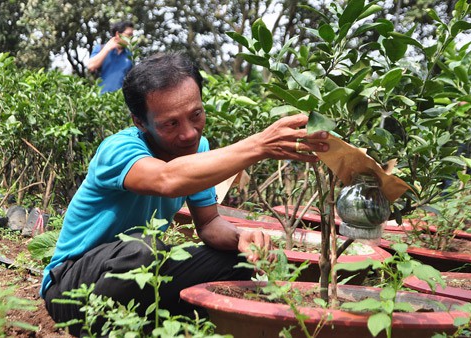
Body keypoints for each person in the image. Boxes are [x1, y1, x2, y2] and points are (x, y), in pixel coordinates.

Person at [40, 51, 330, 336]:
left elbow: (207, 224)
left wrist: (241, 238)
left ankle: (165, 328)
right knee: (143, 248)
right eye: (171, 123)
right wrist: (259, 145)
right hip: (72, 287)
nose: (190, 133)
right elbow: (168, 179)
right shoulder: (118, 150)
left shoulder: (196, 149)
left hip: (136, 271)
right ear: (140, 122)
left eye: (196, 115)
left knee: (236, 263)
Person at [87, 21, 134, 93]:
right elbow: (91, 66)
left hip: (119, 100)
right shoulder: (100, 48)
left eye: (132, 35)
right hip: (101, 99)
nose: (131, 38)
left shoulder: (129, 55)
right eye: (129, 35)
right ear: (118, 34)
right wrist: (107, 48)